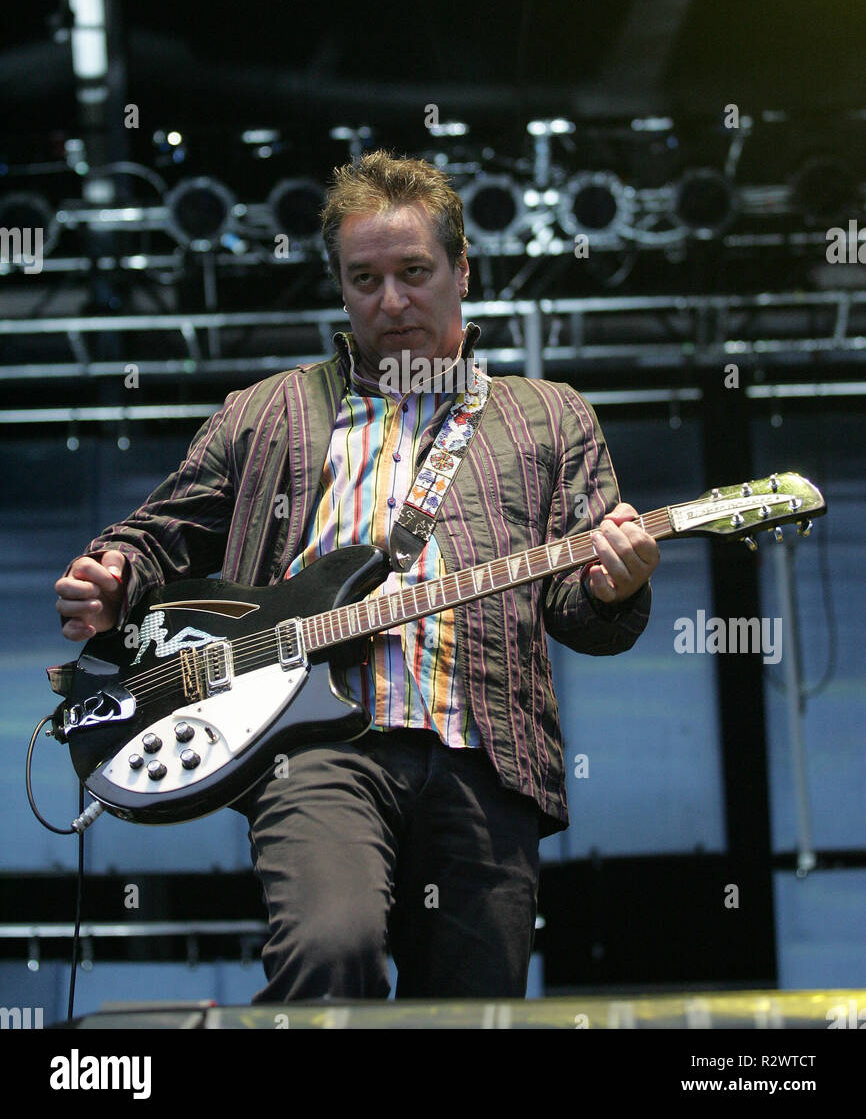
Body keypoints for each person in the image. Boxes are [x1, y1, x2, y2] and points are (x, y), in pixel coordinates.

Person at [54, 150, 659, 1002]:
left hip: (486, 752)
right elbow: (156, 537)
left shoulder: (549, 417)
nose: (392, 301)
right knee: (329, 954)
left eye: (415, 272)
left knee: (473, 1013)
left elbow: (580, 608)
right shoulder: (268, 411)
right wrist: (112, 574)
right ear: (340, 286)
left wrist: (613, 584)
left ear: (462, 271)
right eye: (364, 278)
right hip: (313, 745)